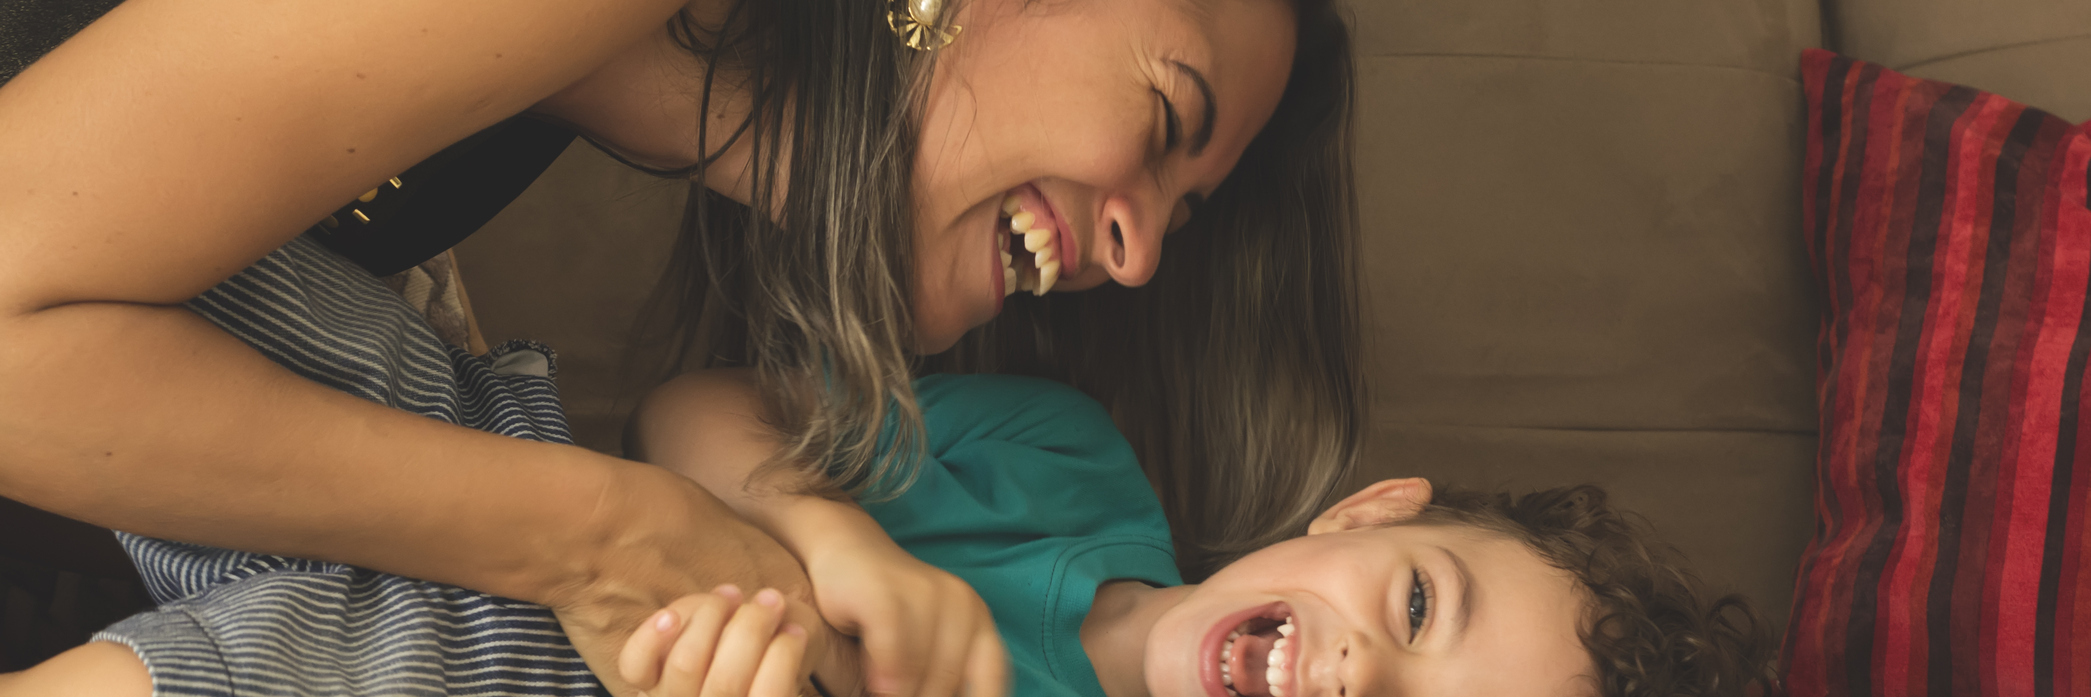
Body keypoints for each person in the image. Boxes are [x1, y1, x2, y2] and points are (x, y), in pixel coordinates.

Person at [0, 0, 1360, 693]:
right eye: (1164, 112)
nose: (1135, 256)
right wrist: (602, 537)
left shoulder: (677, 96)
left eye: (1177, 218)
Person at [616, 372, 1779, 697]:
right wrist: (839, 543)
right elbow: (689, 408)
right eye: (1418, 606)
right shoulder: (1061, 458)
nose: (1359, 675)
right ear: (1369, 511)